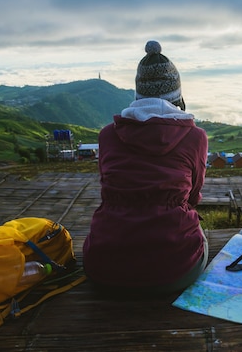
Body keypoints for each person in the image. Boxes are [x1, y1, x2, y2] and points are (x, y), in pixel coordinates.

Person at [83, 40, 209, 297]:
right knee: (202, 239)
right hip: (174, 269)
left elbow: (108, 187)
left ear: (138, 94)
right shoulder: (195, 137)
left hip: (104, 267)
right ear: (177, 95)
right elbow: (194, 197)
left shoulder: (108, 135)